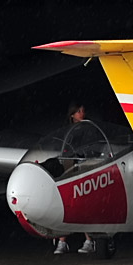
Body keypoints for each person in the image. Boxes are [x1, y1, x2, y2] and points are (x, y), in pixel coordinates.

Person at [53, 101, 96, 255]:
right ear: (72, 114)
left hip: (83, 169)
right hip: (69, 169)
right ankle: (62, 241)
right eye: (79, 111)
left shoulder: (88, 129)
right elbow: (65, 150)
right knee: (68, 204)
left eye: (83, 110)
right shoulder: (68, 131)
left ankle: (89, 241)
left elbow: (91, 149)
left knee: (83, 204)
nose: (81, 113)